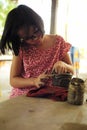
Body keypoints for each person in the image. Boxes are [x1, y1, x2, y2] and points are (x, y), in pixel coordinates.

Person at [0, 5, 74, 98]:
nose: (34, 38)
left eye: (36, 31)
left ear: (39, 23)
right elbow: (13, 80)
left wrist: (63, 65)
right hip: (24, 96)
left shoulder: (58, 42)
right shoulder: (21, 48)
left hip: (51, 95)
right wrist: (34, 81)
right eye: (27, 38)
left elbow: (72, 70)